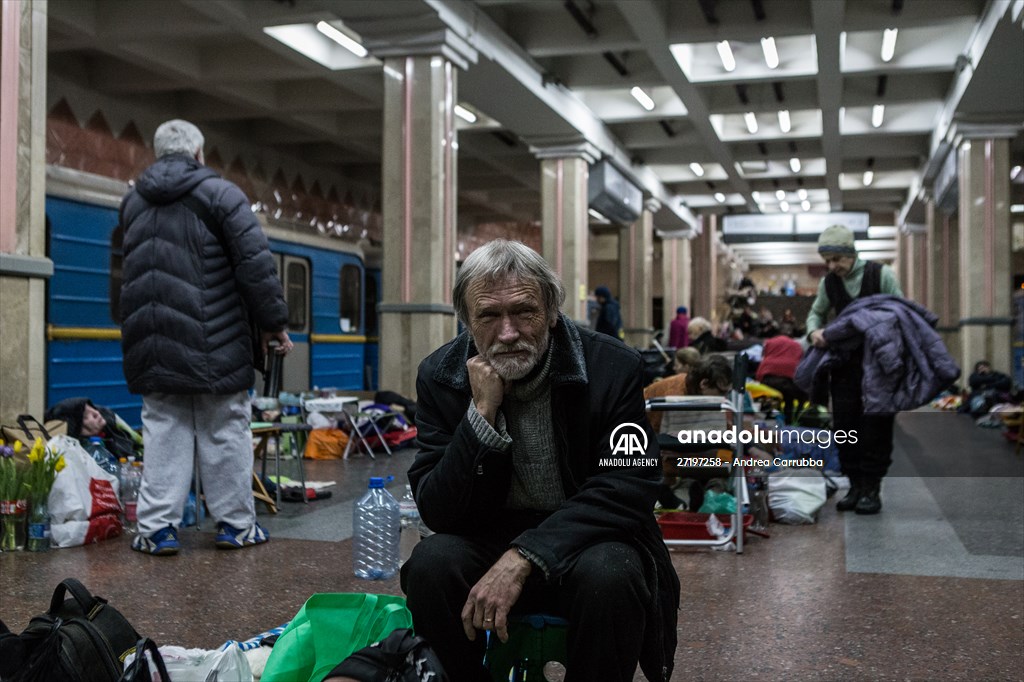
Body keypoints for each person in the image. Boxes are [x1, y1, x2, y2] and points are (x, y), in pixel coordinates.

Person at [402, 239, 678, 682]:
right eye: (489, 316)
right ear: (467, 322)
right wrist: (481, 416)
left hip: (586, 541)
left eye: (524, 311)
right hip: (488, 538)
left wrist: (526, 555)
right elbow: (437, 507)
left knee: (613, 573)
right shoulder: (441, 376)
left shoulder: (611, 366)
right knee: (432, 565)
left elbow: (631, 486)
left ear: (551, 310)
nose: (507, 333)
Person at [118, 119, 293, 555]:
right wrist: (274, 322)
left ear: (159, 155)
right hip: (216, 341)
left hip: (153, 343)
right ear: (199, 154)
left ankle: (156, 529)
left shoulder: (132, 203)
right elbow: (255, 264)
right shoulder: (222, 194)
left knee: (163, 429)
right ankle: (236, 525)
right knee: (225, 428)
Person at [805, 224, 902, 515]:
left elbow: (901, 311)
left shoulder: (880, 274)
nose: (832, 266)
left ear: (852, 253)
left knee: (876, 427)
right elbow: (816, 312)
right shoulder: (829, 283)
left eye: (837, 259)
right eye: (828, 261)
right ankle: (855, 485)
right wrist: (814, 331)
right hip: (845, 366)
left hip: (878, 367)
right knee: (845, 427)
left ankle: (872, 489)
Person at [45, 397, 143, 462]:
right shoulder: (79, 452)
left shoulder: (110, 419)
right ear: (77, 428)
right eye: (85, 416)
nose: (96, 413)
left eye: (92, 408)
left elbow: (141, 444)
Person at [755, 336, 808, 425]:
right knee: (790, 401)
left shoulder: (769, 352)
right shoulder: (796, 346)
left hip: (769, 382)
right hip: (789, 384)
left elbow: (759, 375)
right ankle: (790, 423)